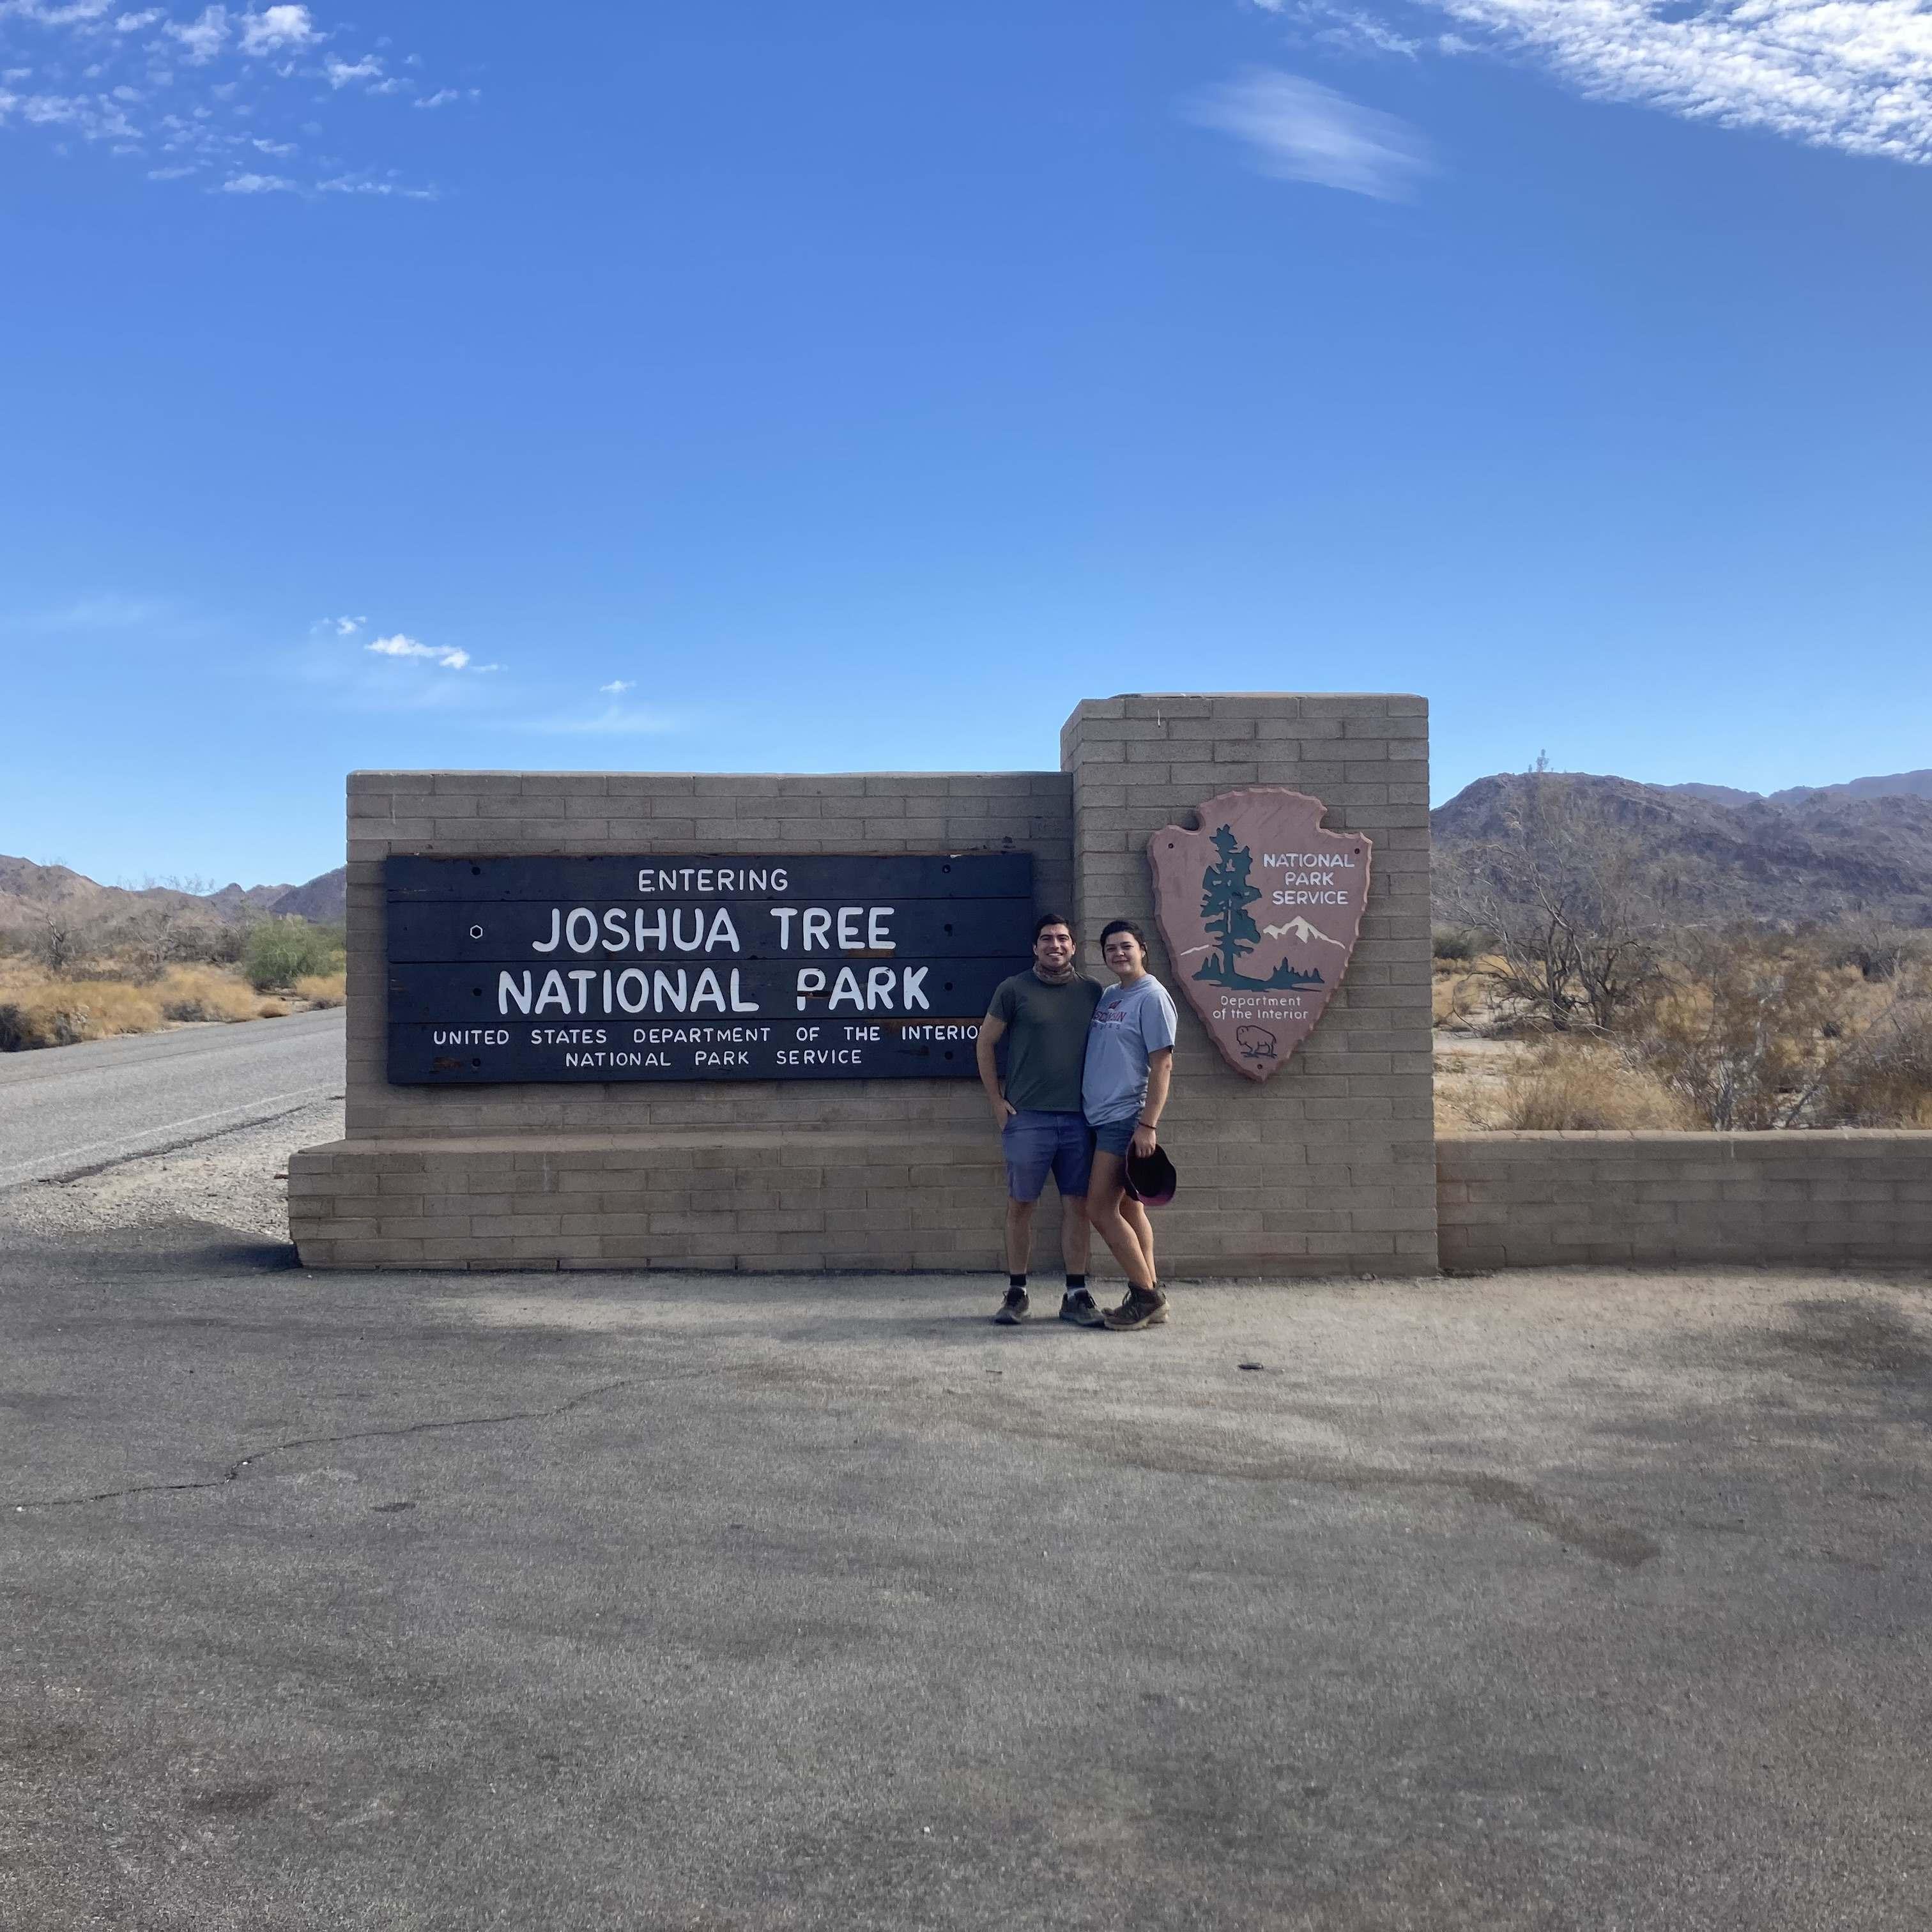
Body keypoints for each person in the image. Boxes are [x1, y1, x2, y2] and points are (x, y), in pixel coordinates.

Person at [975, 914, 1105, 1325]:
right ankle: (1017, 1292)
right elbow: (985, 1043)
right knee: (1021, 1205)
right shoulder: (1013, 990)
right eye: (1047, 938)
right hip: (1027, 1117)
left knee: (1078, 1206)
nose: (1056, 944)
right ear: (1035, 947)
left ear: (1073, 946)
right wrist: (997, 1101)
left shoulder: (1093, 992)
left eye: (1063, 938)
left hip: (1080, 1119)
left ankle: (1076, 1293)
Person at [1081, 918, 1177, 1331]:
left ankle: (1144, 1296)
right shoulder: (1108, 996)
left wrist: (1148, 1125)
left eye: (1126, 946)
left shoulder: (1152, 997)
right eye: (1111, 949)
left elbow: (1163, 1064)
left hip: (1125, 1118)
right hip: (1099, 1114)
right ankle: (1151, 1290)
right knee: (1128, 1207)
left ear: (1143, 949)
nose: (1119, 954)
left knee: (1099, 1209)